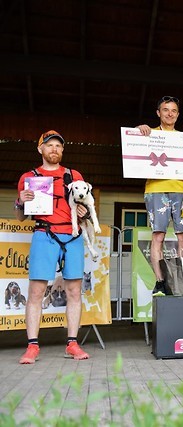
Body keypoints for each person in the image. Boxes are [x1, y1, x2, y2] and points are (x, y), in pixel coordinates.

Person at [15, 130, 91, 364]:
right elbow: (20, 217)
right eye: (49, 145)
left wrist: (85, 212)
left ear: (62, 150)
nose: (54, 149)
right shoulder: (29, 177)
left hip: (72, 235)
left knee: (74, 291)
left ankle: (72, 344)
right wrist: (20, 201)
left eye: (58, 146)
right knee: (36, 292)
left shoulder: (74, 175)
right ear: (40, 149)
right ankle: (32, 347)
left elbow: (86, 208)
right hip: (44, 234)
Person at [136, 96, 183, 296]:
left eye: (173, 110)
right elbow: (133, 145)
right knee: (158, 235)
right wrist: (139, 131)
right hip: (156, 190)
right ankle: (160, 281)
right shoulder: (149, 134)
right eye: (165, 110)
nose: (169, 114)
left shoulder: (182, 139)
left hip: (181, 191)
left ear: (177, 115)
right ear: (158, 113)